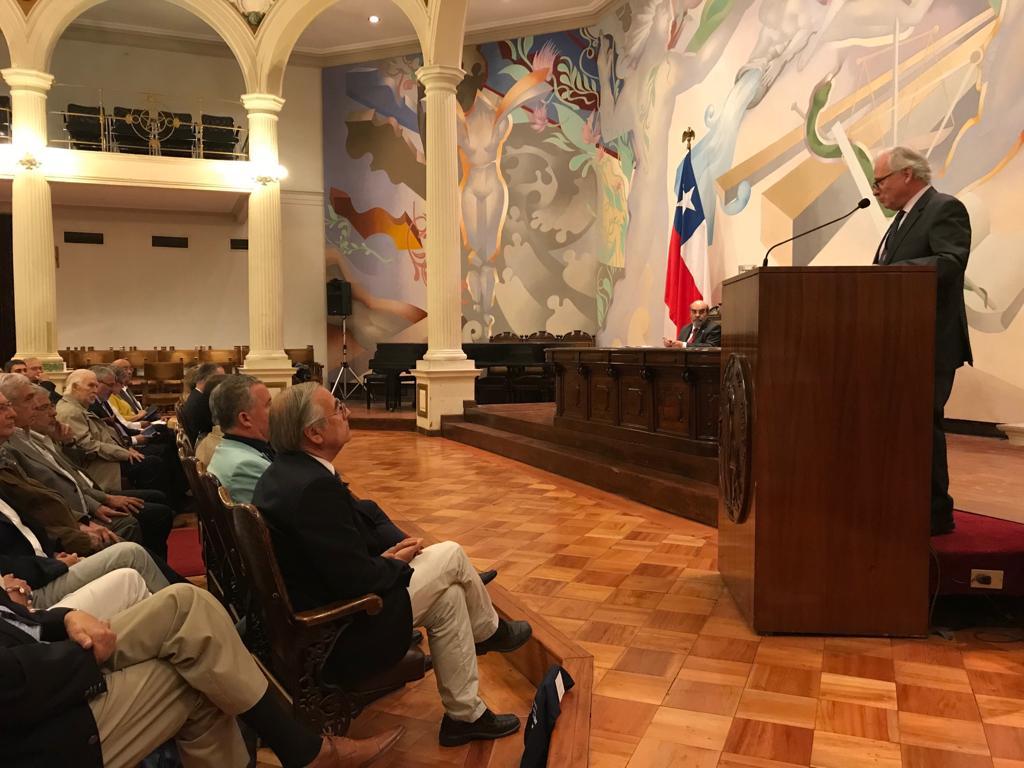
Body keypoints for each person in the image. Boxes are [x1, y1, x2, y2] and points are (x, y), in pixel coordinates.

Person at [253, 383, 529, 747]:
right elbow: (355, 581)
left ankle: (466, 715)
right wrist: (392, 563)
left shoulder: (287, 472)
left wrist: (384, 559)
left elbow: (338, 558)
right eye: (337, 408)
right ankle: (489, 632)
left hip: (316, 610)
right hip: (339, 630)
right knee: (450, 554)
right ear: (314, 433)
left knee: (447, 599)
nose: (346, 412)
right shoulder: (313, 488)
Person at [0, 583, 404, 767]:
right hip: (30, 725)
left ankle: (299, 747)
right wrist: (76, 656)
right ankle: (302, 747)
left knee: (184, 604)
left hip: (34, 655)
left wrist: (63, 619)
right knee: (198, 674)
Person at [871, 146, 971, 537]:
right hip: (899, 344)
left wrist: (889, 275)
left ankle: (935, 514)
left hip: (930, 343)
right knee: (903, 427)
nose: (876, 190)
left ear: (907, 175)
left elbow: (949, 262)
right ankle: (903, 502)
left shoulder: (945, 208)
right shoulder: (900, 221)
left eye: (880, 181)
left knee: (921, 425)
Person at [181, 362, 226, 444]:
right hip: (204, 445)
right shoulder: (200, 402)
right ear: (208, 379)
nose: (223, 383)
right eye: (220, 379)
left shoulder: (197, 396)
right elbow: (214, 430)